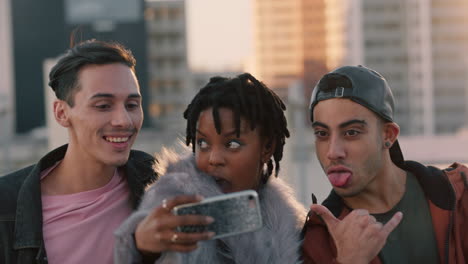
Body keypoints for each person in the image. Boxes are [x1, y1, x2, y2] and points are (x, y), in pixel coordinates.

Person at [114, 73, 307, 263]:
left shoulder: (289, 226)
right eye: (203, 144)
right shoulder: (171, 205)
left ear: (267, 148)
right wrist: (142, 250)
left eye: (232, 144)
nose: (213, 159)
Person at [0, 40, 157, 264]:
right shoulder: (6, 207)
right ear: (62, 113)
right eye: (103, 105)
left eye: (132, 105)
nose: (123, 120)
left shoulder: (155, 183)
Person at [302, 65, 468, 263]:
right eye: (322, 134)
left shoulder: (460, 195)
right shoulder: (315, 241)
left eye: (351, 132)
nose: (333, 152)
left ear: (388, 135)